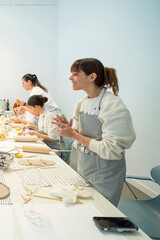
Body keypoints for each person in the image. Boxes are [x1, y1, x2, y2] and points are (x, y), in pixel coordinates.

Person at [52, 58, 136, 206]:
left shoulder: (113, 105)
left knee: (101, 213)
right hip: (85, 168)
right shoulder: (82, 103)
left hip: (106, 174)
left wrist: (74, 135)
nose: (70, 78)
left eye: (76, 74)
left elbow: (111, 150)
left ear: (92, 77)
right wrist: (70, 130)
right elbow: (79, 132)